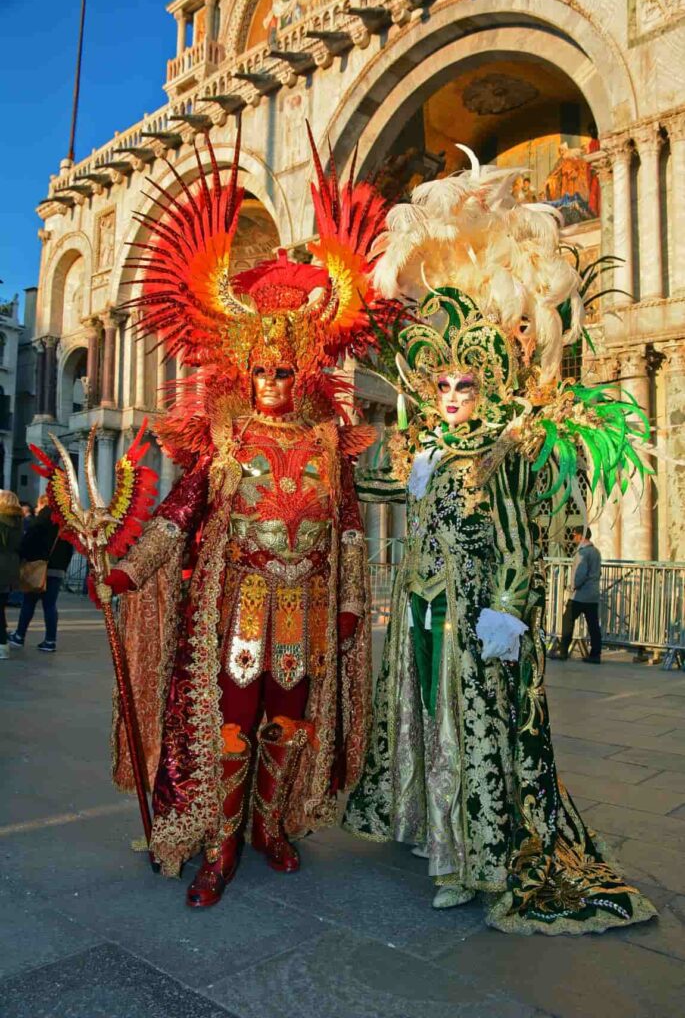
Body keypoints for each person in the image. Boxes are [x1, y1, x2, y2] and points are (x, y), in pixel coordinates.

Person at [344, 156, 656, 935]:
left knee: (469, 729)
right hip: (417, 603)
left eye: (463, 387)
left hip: (471, 611)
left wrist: (510, 607)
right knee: (420, 715)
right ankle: (426, 828)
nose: (450, 398)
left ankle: (468, 858)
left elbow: (522, 532)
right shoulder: (426, 450)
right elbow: (381, 500)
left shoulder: (503, 446)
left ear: (483, 387)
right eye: (440, 387)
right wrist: (347, 468)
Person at [97, 129, 388, 906]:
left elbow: (350, 527)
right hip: (241, 605)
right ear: (242, 365)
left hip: (310, 607)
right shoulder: (225, 433)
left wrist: (354, 601)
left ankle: (270, 826)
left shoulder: (330, 439)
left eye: (282, 370)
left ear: (303, 369)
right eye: (257, 369)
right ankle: (220, 848)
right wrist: (127, 569)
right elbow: (181, 511)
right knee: (230, 728)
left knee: (287, 727)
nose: (268, 381)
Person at [9, 494, 73, 652]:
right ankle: (50, 640)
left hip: (39, 566)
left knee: (29, 602)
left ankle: (19, 635)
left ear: (44, 503)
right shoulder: (66, 521)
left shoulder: (44, 517)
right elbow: (70, 547)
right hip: (56, 569)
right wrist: (62, 566)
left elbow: (30, 538)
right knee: (50, 605)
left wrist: (23, 556)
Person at [554, 526, 602, 663]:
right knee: (593, 625)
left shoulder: (583, 553)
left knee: (567, 620)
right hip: (592, 593)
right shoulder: (596, 552)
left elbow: (580, 573)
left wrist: (573, 586)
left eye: (574, 535)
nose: (573, 538)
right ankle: (595, 654)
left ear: (581, 536)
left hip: (580, 595)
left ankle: (563, 651)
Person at [0, 491, 23, 660]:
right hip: (10, 569)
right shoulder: (18, 521)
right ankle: (3, 643)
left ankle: (2, 645)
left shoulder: (2, 521)